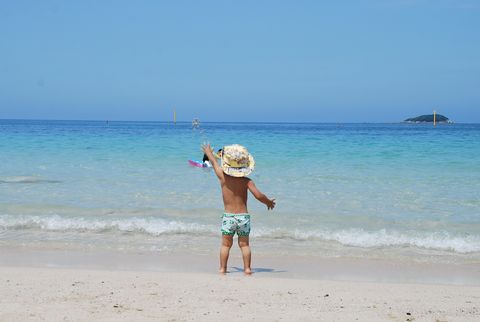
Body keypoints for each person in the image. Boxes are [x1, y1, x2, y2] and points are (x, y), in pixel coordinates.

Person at [202, 143, 275, 275]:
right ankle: (247, 269)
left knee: (225, 245)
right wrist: (268, 202)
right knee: (244, 245)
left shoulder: (222, 177)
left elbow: (213, 163)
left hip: (228, 217)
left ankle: (223, 269)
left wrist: (208, 153)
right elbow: (258, 195)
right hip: (243, 217)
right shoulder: (247, 181)